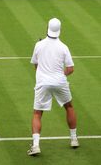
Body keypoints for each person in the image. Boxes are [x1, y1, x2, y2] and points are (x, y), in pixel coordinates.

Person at [28, 18, 79, 156]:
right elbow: (70, 69)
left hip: (43, 83)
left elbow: (35, 65)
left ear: (47, 28)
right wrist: (59, 76)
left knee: (37, 113)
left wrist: (44, 74)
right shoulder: (64, 47)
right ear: (60, 30)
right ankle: (74, 139)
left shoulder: (38, 45)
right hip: (60, 82)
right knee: (69, 107)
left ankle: (36, 145)